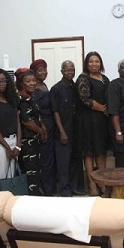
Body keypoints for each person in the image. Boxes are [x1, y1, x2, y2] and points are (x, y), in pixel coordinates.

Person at [75, 51, 110, 196]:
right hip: (87, 120)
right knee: (89, 153)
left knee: (101, 152)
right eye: (91, 61)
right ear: (86, 64)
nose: (94, 64)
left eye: (97, 61)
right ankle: (91, 184)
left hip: (102, 121)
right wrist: (102, 108)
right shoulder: (83, 78)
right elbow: (85, 99)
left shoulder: (105, 78)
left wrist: (109, 108)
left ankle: (102, 182)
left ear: (101, 63)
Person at [50, 60, 81, 197]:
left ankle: (73, 187)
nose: (70, 72)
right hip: (62, 132)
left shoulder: (75, 87)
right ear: (62, 71)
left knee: (75, 161)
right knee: (63, 163)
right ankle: (64, 189)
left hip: (76, 131)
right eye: (67, 70)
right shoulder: (56, 89)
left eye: (72, 70)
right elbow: (55, 111)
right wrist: (62, 131)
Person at [15, 68, 46, 196]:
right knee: (30, 172)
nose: (32, 83)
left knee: (37, 170)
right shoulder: (21, 100)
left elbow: (38, 117)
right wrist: (41, 131)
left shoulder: (31, 99)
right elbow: (27, 122)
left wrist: (43, 129)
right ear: (21, 83)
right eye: (28, 81)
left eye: (33, 80)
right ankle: (32, 199)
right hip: (27, 142)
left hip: (36, 140)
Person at [30, 59, 57, 196]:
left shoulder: (44, 86)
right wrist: (42, 128)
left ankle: (50, 188)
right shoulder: (33, 89)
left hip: (50, 127)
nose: (43, 72)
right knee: (44, 161)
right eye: (40, 70)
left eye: (45, 69)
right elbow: (36, 112)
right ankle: (45, 190)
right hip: (42, 129)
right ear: (34, 73)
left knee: (50, 160)